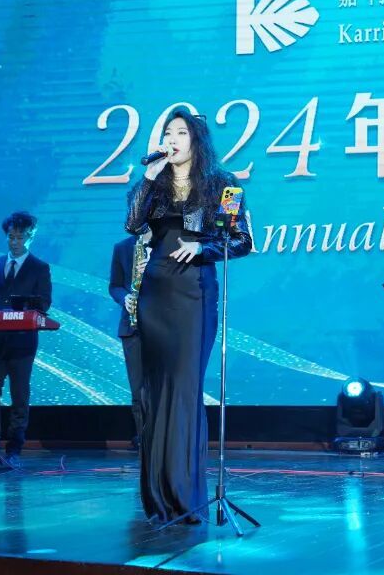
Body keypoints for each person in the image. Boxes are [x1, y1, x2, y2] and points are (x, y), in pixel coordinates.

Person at [125, 108, 253, 525]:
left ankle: (185, 494)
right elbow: (132, 224)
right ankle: (157, 497)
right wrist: (148, 178)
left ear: (196, 139)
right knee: (155, 392)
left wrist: (203, 248)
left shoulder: (224, 184)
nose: (172, 139)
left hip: (194, 293)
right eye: (168, 132)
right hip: (155, 295)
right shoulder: (155, 184)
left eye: (180, 132)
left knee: (183, 389)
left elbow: (241, 240)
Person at [0, 211, 53, 468]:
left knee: (19, 396)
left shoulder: (39, 268)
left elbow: (44, 303)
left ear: (30, 237)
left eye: (20, 237)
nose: (14, 241)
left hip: (22, 343)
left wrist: (23, 307)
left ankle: (14, 449)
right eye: (11, 237)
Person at [108, 229, 150, 450]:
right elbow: (114, 285)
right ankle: (144, 438)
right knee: (138, 390)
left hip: (162, 325)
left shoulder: (167, 244)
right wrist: (124, 298)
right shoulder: (123, 247)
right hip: (131, 327)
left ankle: (163, 439)